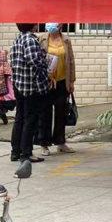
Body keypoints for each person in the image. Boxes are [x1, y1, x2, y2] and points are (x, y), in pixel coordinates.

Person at [9, 23, 48, 168]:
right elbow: (34, 61)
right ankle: (26, 153)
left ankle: (15, 151)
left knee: (19, 118)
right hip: (30, 85)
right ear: (33, 25)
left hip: (18, 83)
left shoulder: (18, 39)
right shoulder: (30, 40)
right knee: (30, 120)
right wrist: (45, 59)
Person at [37, 23, 76, 156]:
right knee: (45, 113)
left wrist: (71, 81)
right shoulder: (41, 39)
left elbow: (71, 61)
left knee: (61, 112)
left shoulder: (66, 40)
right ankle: (44, 143)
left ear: (60, 25)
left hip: (62, 81)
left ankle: (60, 142)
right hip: (46, 82)